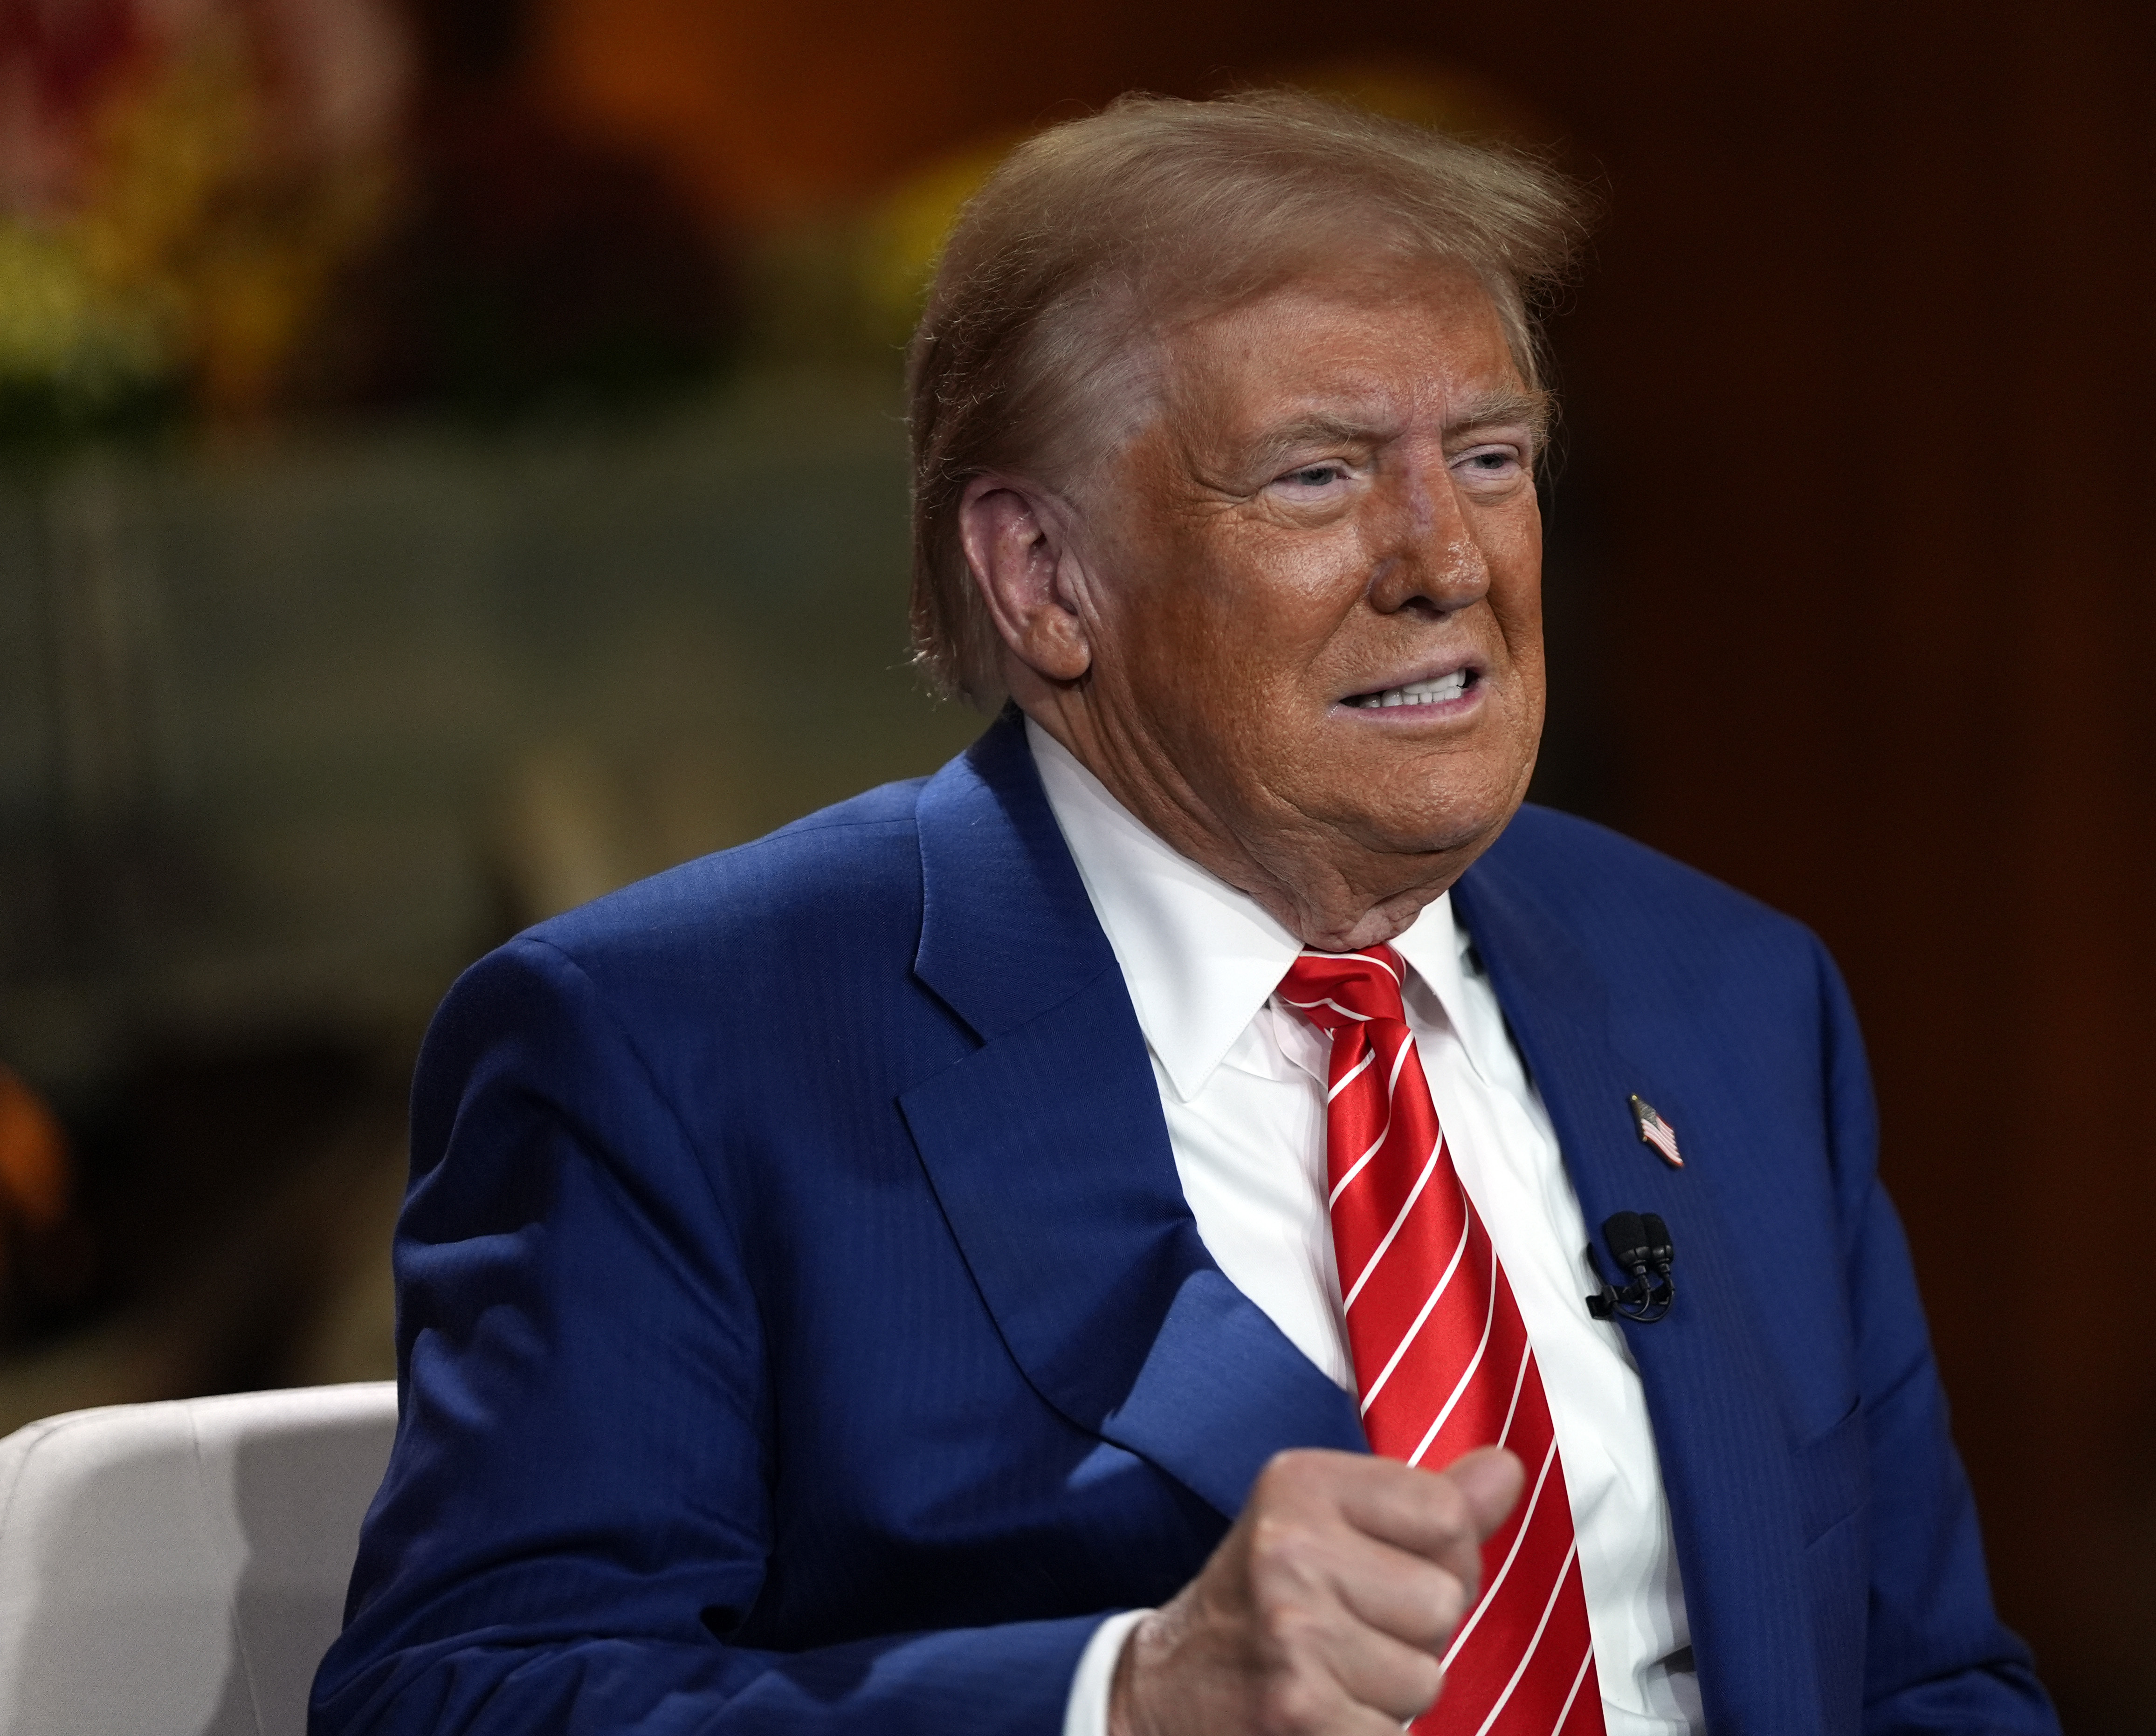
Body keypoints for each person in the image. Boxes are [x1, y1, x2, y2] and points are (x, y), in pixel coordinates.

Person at [313, 92, 2060, 1736]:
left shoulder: (1733, 995)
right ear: (1045, 578)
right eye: (1317, 475)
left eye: (1494, 459)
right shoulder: (671, 1054)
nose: (1446, 561)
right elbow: (467, 1696)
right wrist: (1126, 1699)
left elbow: (1929, 1683)